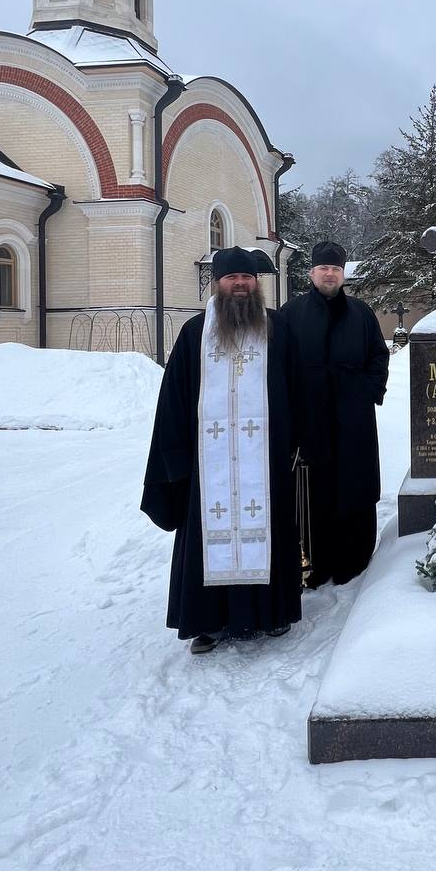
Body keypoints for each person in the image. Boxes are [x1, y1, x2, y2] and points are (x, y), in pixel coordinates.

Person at [141, 246, 301, 654]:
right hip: (208, 465)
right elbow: (174, 400)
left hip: (265, 460)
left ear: (256, 283)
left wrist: (297, 441)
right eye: (232, 278)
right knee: (207, 537)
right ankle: (207, 622)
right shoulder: (194, 333)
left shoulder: (278, 329)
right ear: (218, 283)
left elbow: (298, 387)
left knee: (268, 529)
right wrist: (175, 459)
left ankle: (271, 613)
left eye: (247, 277)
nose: (240, 284)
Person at [282, 240, 389, 587]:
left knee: (353, 485)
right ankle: (314, 563)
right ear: (311, 272)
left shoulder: (362, 313)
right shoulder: (290, 314)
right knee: (313, 491)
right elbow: (278, 364)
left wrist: (367, 390)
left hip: (353, 418)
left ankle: (353, 560)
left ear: (343, 275)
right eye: (323, 268)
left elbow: (378, 356)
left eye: (335, 269)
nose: (329, 274)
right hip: (309, 420)